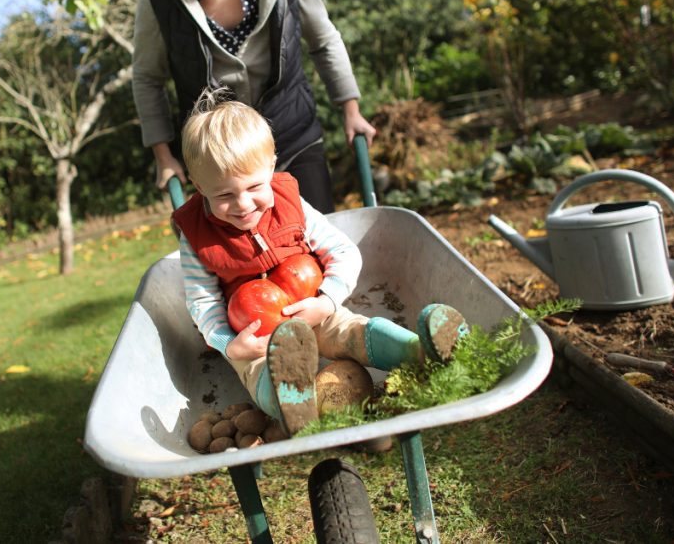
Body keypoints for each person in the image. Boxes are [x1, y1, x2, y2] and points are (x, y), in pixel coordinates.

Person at [172, 91, 467, 436]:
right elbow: (202, 300)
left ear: (271, 166)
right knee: (255, 370)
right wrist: (227, 342)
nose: (242, 204)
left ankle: (419, 351)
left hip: (310, 303)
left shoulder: (291, 204)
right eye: (223, 195)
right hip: (255, 334)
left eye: (254, 186)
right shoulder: (196, 236)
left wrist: (325, 301)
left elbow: (343, 252)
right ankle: (294, 403)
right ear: (198, 187)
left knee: (351, 330)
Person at [132, 0, 377, 214]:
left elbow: (323, 38)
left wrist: (350, 108)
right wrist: (163, 154)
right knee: (241, 268)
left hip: (294, 140)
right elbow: (147, 77)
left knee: (316, 253)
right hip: (218, 165)